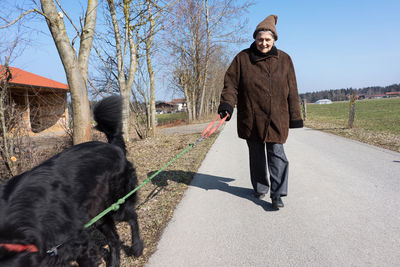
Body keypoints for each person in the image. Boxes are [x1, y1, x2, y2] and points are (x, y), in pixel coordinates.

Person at [218, 14, 303, 209]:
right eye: (260, 39)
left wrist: (295, 116)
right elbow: (230, 85)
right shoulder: (242, 59)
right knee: (256, 155)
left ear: (274, 40)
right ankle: (260, 187)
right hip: (251, 116)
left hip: (277, 117)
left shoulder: (285, 59)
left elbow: (293, 89)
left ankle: (277, 193)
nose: (264, 43)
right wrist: (227, 106)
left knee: (277, 154)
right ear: (255, 39)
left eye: (268, 40)